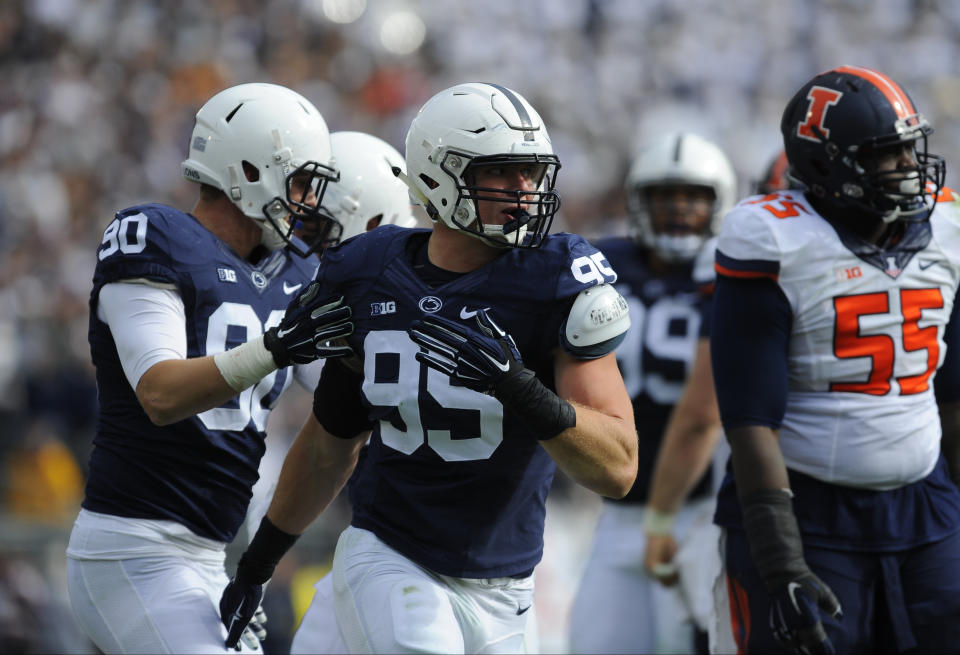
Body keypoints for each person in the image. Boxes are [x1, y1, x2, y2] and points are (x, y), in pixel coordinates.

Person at [218, 81, 639, 654]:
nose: (525, 190)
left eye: (532, 173)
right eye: (503, 172)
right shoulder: (367, 270)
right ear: (440, 175)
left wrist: (518, 388)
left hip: (506, 583)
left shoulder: (556, 280)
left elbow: (617, 467)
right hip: (391, 554)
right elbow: (329, 445)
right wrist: (257, 564)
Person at [66, 82, 355, 654]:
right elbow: (161, 393)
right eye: (299, 182)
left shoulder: (290, 275)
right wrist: (276, 346)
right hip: (134, 548)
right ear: (247, 170)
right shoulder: (156, 237)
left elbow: (347, 405)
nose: (308, 203)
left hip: (210, 554)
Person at [710, 65, 960, 654]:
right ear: (828, 166)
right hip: (809, 510)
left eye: (909, 149)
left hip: (926, 507)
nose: (909, 167)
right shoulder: (774, 240)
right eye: (886, 154)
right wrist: (781, 561)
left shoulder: (947, 226)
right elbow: (749, 420)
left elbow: (952, 391)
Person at [567, 132, 736, 655]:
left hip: (700, 512)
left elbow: (704, 413)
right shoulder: (601, 264)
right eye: (664, 197)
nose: (679, 210)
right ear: (638, 202)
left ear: (719, 202)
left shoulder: (730, 273)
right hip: (618, 509)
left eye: (693, 197)